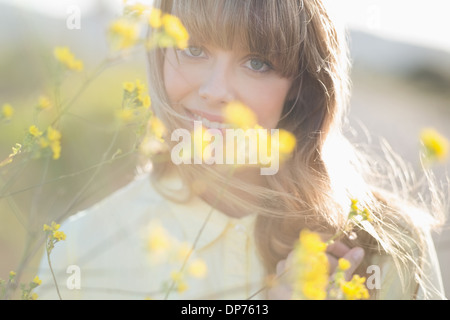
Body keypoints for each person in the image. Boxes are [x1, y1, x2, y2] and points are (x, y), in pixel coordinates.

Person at [36, 0, 446, 300]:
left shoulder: (387, 244)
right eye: (193, 50)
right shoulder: (77, 251)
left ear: (300, 89)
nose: (215, 91)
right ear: (159, 55)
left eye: (257, 63)